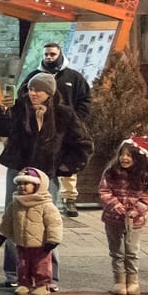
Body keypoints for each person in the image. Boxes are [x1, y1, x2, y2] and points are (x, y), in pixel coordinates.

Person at [0, 72, 90, 289]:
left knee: (47, 221)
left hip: (46, 174)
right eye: (31, 89)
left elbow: (84, 144)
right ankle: (14, 273)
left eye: (38, 90)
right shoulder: (19, 109)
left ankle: (49, 277)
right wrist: (1, 112)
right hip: (18, 171)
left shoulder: (64, 114)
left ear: (49, 93)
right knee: (15, 216)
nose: (33, 93)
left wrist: (64, 167)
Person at [22, 41, 92, 217]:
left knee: (67, 168)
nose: (49, 58)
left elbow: (85, 99)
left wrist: (76, 119)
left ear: (60, 54)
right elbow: (22, 96)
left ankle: (69, 200)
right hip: (43, 131)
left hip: (66, 130)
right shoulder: (34, 75)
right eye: (46, 54)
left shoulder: (73, 77)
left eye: (52, 54)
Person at [97, 135, 148, 295]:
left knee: (131, 251)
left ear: (138, 158)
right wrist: (117, 207)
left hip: (135, 221)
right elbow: (104, 191)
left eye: (129, 155)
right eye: (122, 154)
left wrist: (137, 209)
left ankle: (133, 281)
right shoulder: (111, 172)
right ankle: (119, 281)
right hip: (113, 219)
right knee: (117, 251)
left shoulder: (145, 177)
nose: (124, 158)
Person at [0, 168, 63, 295]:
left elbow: (54, 224)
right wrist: (2, 235)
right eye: (19, 184)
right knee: (22, 265)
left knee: (41, 266)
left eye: (26, 184)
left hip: (41, 244)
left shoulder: (46, 205)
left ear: (37, 185)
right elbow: (7, 221)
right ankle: (24, 283)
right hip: (21, 243)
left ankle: (43, 285)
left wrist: (53, 240)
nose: (21, 187)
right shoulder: (15, 204)